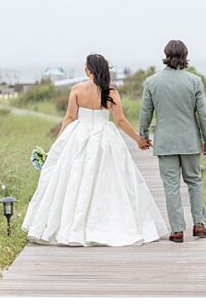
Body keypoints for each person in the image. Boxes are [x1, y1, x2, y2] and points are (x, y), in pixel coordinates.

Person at [21, 54, 168, 246]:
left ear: (88, 69)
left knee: (75, 179)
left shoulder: (77, 89)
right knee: (107, 179)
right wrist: (138, 140)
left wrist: (57, 145)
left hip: (78, 137)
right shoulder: (111, 92)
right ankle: (105, 222)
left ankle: (71, 226)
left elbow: (69, 118)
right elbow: (121, 121)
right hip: (104, 139)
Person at [138, 40, 206, 243]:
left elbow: (146, 112)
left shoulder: (152, 82)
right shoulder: (194, 81)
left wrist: (143, 135)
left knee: (170, 185)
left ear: (166, 54)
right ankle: (199, 224)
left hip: (165, 142)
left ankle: (177, 230)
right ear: (185, 55)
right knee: (195, 181)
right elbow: (203, 114)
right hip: (190, 141)